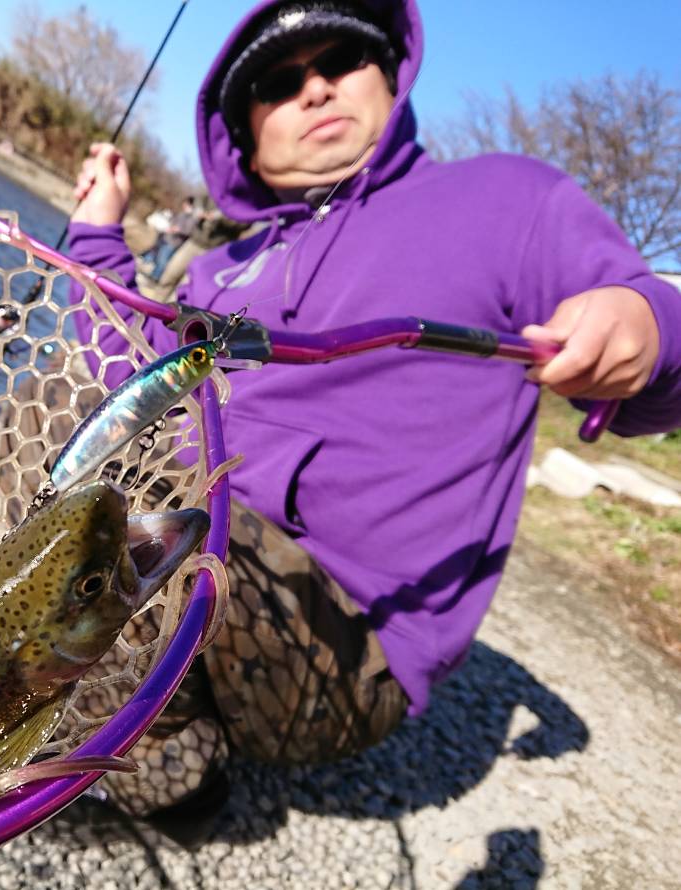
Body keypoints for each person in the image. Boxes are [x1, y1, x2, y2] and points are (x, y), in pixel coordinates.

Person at [59, 0, 681, 841]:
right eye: (279, 83)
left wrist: (645, 323)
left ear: (389, 76)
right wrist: (97, 230)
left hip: (341, 654)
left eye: (341, 60)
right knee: (65, 437)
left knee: (124, 518)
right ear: (244, 137)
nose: (315, 90)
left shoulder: (509, 198)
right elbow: (125, 381)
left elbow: (655, 345)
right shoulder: (218, 268)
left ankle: (181, 785)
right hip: (202, 554)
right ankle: (118, 715)